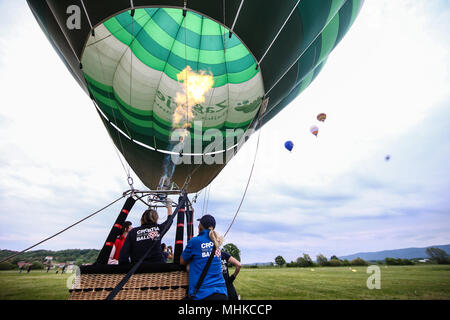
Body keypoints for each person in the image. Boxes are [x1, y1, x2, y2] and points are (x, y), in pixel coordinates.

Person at [180, 214, 227, 300]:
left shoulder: (195, 241)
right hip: (222, 293)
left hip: (203, 294)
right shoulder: (216, 243)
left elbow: (182, 261)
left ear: (200, 226)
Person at [119, 200, 173, 265]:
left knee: (165, 254)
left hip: (137, 268)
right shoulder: (159, 229)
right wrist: (169, 206)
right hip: (157, 267)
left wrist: (127, 270)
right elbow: (170, 220)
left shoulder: (133, 232)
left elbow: (123, 256)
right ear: (156, 218)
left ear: (142, 219)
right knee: (164, 255)